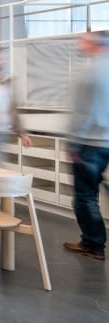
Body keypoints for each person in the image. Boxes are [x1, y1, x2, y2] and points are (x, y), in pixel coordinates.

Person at [63, 31, 109, 261]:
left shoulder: (90, 72)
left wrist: (73, 142)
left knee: (85, 196)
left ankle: (93, 243)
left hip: (90, 143)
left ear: (93, 44)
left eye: (82, 40)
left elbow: (82, 112)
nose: (79, 44)